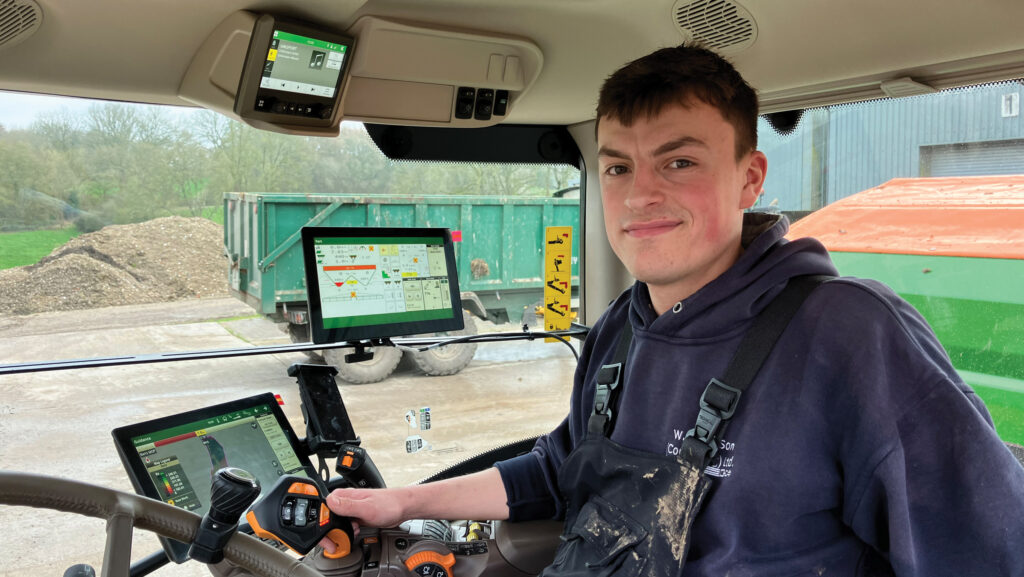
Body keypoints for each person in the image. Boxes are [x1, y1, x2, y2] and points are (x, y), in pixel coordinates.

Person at [323, 44, 1024, 575]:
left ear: (749, 177)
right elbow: (555, 472)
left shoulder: (852, 335)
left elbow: (985, 550)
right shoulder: (620, 332)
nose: (638, 196)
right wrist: (405, 503)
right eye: (619, 166)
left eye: (678, 162)